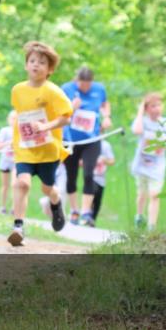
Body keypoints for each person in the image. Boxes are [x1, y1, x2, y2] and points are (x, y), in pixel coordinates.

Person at [9, 41, 71, 246]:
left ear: (50, 69)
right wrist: (14, 137)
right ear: (26, 65)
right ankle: (18, 227)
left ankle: (56, 202)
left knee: (47, 188)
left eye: (42, 62)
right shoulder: (17, 90)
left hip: (48, 150)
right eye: (32, 61)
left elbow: (66, 118)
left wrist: (46, 127)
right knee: (22, 183)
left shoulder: (53, 91)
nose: (36, 65)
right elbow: (20, 116)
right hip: (25, 148)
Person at [61, 66, 111, 227]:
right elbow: (59, 111)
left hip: (92, 139)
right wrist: (72, 107)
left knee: (89, 174)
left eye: (88, 85)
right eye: (82, 84)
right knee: (71, 175)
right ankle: (74, 210)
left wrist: (106, 117)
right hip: (71, 139)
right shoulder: (67, 89)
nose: (85, 88)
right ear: (77, 80)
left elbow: (105, 104)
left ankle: (85, 212)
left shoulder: (99, 89)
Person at [131, 93, 166, 231]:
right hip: (142, 165)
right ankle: (139, 216)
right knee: (142, 193)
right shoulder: (143, 122)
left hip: (157, 166)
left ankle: (152, 226)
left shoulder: (165, 123)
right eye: (153, 106)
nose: (157, 108)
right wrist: (140, 111)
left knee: (155, 194)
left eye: (159, 105)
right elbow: (137, 130)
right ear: (146, 109)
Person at [88, 139, 115, 225]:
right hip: (91, 176)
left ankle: (93, 219)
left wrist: (104, 160)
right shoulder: (89, 141)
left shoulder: (106, 145)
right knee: (91, 193)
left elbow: (112, 161)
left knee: (97, 200)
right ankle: (87, 215)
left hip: (101, 178)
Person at [0, 111, 17, 214]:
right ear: (8, 119)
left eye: (16, 118)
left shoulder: (21, 131)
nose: (14, 121)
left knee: (14, 184)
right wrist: (8, 143)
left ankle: (14, 208)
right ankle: (2, 206)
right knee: (5, 186)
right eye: (12, 118)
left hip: (16, 161)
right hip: (5, 161)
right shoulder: (4, 131)